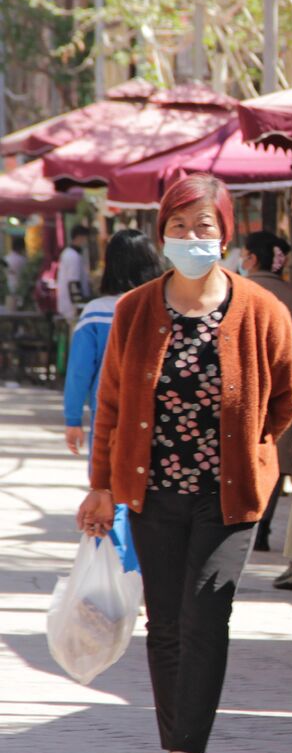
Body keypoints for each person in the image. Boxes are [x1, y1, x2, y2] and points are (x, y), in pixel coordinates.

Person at [74, 173, 292, 753]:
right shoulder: (136, 308)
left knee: (207, 613)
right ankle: (171, 744)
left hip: (227, 497)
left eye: (204, 227)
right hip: (152, 493)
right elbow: (113, 404)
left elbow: (290, 393)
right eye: (178, 227)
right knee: (167, 621)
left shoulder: (261, 309)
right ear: (161, 234)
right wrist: (100, 485)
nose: (191, 237)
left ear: (224, 234)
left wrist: (257, 444)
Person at [62, 229, 163, 574]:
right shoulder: (161, 308)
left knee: (110, 491)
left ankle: (119, 572)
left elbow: (79, 371)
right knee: (146, 499)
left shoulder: (95, 313)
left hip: (109, 421)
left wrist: (73, 418)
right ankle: (139, 572)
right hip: (157, 422)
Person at [240, 231, 292, 575]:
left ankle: (256, 529)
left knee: (254, 464)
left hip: (245, 400)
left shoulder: (236, 296)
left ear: (251, 259)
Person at [57, 224, 92, 322]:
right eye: (85, 238)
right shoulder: (73, 256)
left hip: (69, 304)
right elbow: (73, 282)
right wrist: (78, 305)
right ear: (79, 237)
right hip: (72, 306)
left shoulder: (69, 253)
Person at [5, 234, 26, 302]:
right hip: (19, 290)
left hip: (9, 289)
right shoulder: (22, 260)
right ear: (21, 247)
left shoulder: (6, 259)